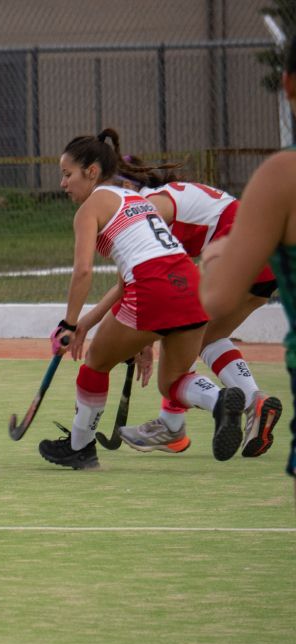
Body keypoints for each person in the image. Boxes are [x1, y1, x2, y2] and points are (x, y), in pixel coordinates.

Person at [39, 128, 243, 470]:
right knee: (172, 382)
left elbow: (83, 272)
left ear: (91, 172)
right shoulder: (137, 201)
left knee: (96, 363)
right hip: (190, 284)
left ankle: (80, 447)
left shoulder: (90, 208)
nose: (63, 183)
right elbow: (124, 283)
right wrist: (91, 324)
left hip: (152, 287)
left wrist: (68, 323)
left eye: (67, 174)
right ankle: (220, 400)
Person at [110, 163, 282, 456]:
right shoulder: (170, 197)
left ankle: (172, 426)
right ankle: (256, 401)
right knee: (206, 338)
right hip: (269, 258)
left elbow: (150, 278)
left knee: (181, 332)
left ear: (127, 189)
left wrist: (145, 338)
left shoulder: (149, 206)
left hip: (238, 250)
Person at [200, 37, 296, 499]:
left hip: (257, 272)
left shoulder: (282, 176)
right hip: (263, 278)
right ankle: (254, 402)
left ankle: (174, 420)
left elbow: (215, 296)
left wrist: (218, 259)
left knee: (189, 336)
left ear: (287, 85)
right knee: (210, 336)